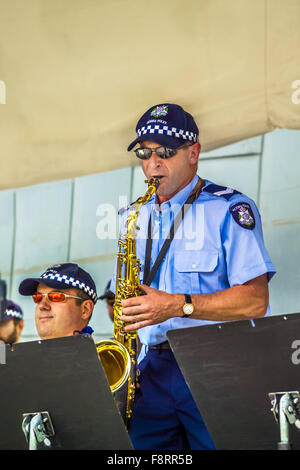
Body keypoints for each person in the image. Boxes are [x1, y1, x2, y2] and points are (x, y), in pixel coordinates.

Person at [111, 103, 276, 450]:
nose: (152, 164)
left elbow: (256, 301)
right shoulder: (132, 216)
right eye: (144, 153)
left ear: (193, 153)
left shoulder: (229, 209)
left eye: (165, 152)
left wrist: (177, 305)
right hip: (151, 368)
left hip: (215, 363)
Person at [18, 263, 97, 339]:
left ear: (85, 310)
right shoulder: (23, 352)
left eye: (56, 296)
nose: (42, 306)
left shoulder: (101, 352)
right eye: (38, 297)